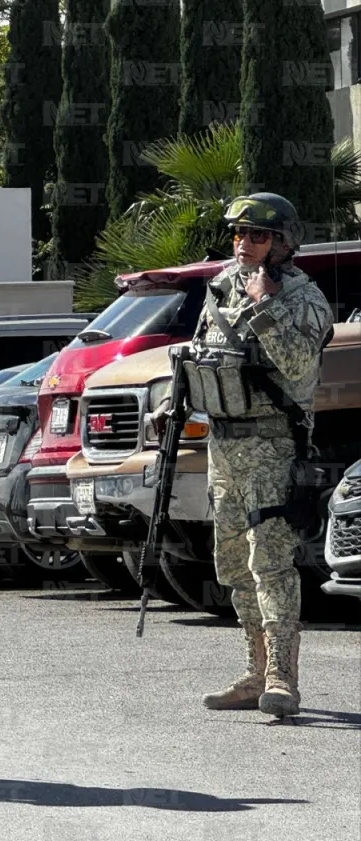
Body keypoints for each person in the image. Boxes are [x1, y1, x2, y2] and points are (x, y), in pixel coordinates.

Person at [156, 193, 332, 719]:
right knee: (232, 564)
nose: (244, 244)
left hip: (273, 444)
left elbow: (298, 361)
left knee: (271, 562)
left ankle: (282, 677)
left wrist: (263, 306)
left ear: (282, 243)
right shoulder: (220, 288)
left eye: (257, 236)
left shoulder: (305, 299)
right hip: (224, 446)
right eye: (238, 234)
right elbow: (199, 355)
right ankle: (254, 672)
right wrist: (171, 403)